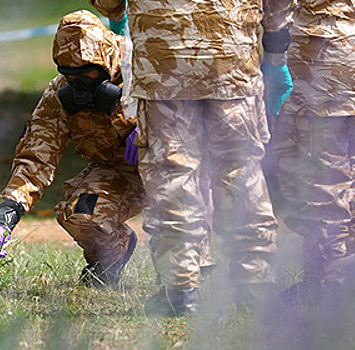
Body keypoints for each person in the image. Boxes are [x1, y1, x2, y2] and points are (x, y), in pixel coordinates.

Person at [91, 0, 294, 315]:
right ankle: (256, 285)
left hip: (165, 62)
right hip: (232, 59)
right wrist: (277, 49)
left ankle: (181, 290)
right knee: (240, 170)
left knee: (173, 172)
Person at [0, 10, 146, 286]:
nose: (79, 84)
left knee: (180, 220)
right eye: (71, 76)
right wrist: (6, 219)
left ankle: (190, 280)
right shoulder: (59, 94)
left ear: (105, 60)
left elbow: (194, 111)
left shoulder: (143, 66)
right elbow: (37, 154)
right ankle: (111, 257)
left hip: (169, 165)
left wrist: (142, 125)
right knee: (81, 213)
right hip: (119, 172)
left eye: (88, 74)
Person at [271, 0, 355, 299]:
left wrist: (271, 45)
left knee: (317, 176)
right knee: (344, 170)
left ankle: (328, 282)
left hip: (323, 60)